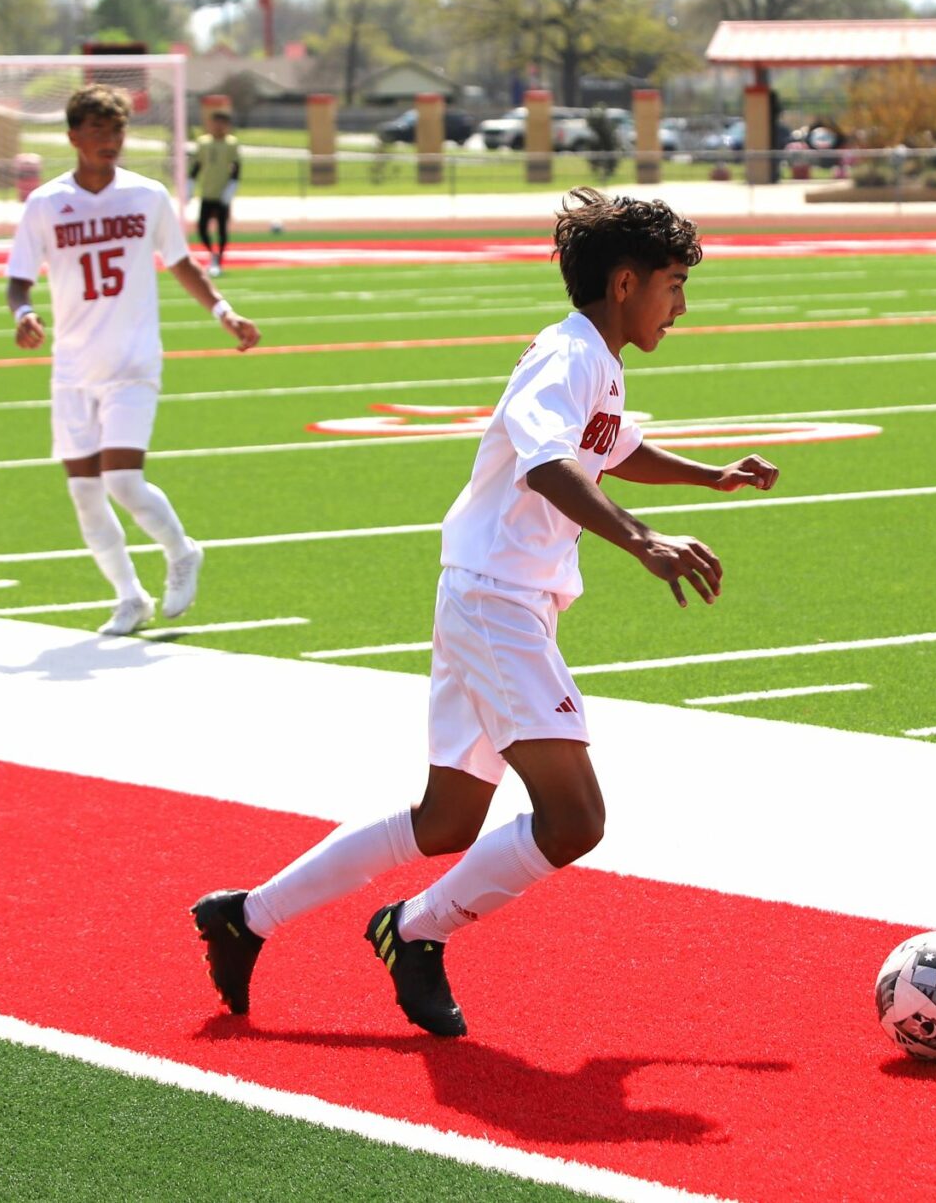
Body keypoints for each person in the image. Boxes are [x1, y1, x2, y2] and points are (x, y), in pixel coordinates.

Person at [189, 189, 780, 1037]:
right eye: (675, 284)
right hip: (497, 602)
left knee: (447, 820)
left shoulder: (596, 359)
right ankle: (415, 930)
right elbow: (547, 464)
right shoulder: (566, 357)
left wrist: (709, 475)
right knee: (576, 818)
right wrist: (643, 539)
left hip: (493, 595)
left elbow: (609, 447)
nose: (682, 305)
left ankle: (244, 916)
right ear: (624, 282)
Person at [7, 85, 260, 637]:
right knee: (84, 494)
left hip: (133, 361)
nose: (109, 142)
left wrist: (224, 312)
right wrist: (23, 313)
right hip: (73, 368)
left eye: (117, 131)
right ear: (73, 137)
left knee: (122, 479)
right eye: (97, 131)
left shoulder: (146, 196)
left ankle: (182, 550)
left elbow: (181, 262)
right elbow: (18, 279)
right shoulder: (46, 204)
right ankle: (130, 597)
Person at [189, 106, 242, 277]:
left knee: (221, 229)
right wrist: (190, 185)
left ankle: (218, 260)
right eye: (216, 123)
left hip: (222, 193)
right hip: (207, 192)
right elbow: (197, 165)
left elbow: (236, 168)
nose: (218, 127)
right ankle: (212, 254)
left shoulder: (231, 143)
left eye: (222, 123)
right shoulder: (203, 142)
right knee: (202, 228)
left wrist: (231, 188)